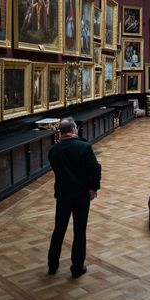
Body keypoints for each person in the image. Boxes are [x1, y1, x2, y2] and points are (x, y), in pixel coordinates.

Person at [47, 117, 101, 278]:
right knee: (79, 231)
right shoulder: (84, 147)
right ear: (74, 130)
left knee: (59, 230)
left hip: (63, 195)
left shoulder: (53, 150)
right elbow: (95, 169)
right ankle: (77, 268)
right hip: (81, 195)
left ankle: (52, 265)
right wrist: (94, 187)